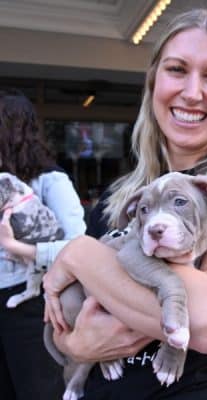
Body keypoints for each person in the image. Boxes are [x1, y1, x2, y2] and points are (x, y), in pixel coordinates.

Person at [43, 8, 207, 400]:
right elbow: (63, 324)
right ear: (153, 84)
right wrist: (77, 348)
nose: (192, 92)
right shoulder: (118, 199)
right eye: (177, 69)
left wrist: (78, 255)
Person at [0, 89, 87, 400]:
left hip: (33, 304)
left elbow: (78, 248)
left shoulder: (50, 181)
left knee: (38, 391)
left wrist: (20, 249)